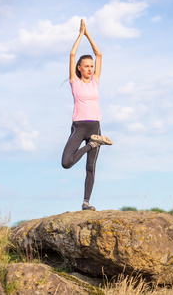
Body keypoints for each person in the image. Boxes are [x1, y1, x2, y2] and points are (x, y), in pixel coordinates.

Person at [61, 19, 112, 211]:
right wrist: (80, 35)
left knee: (91, 167)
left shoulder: (95, 81)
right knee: (66, 162)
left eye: (92, 66)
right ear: (79, 68)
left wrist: (88, 33)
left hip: (95, 126)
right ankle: (92, 144)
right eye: (86, 66)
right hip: (79, 127)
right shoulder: (74, 81)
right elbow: (72, 54)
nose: (90, 69)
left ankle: (86, 202)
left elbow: (99, 53)